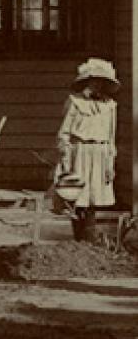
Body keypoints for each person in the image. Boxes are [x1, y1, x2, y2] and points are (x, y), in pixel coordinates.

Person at [57, 58, 118, 242]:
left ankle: (90, 238)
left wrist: (110, 163)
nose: (97, 85)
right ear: (86, 81)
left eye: (101, 81)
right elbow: (64, 133)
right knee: (78, 195)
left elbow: (110, 137)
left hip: (100, 153)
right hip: (80, 152)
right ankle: (79, 239)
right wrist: (66, 157)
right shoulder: (75, 102)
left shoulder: (110, 106)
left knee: (94, 196)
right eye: (94, 80)